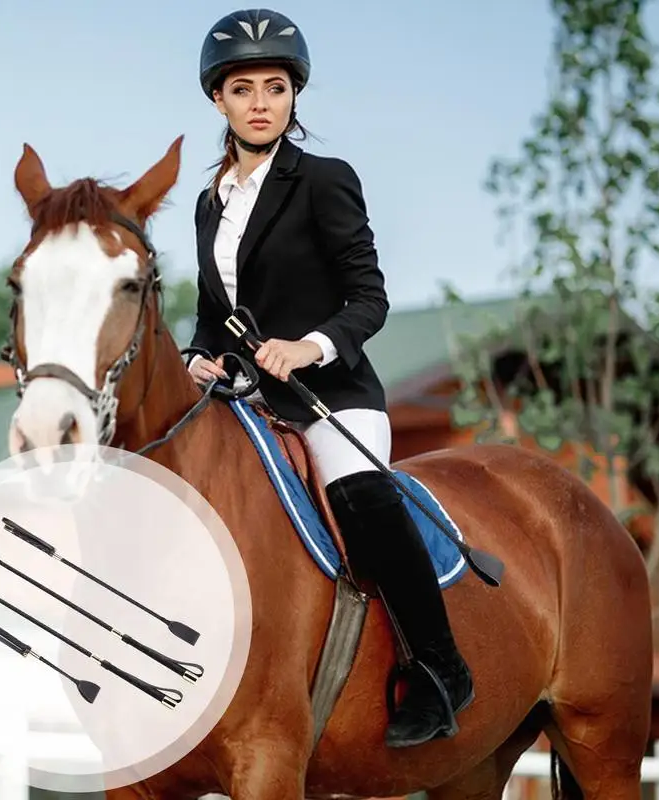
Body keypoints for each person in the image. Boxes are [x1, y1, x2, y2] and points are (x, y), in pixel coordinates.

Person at [186, 8, 473, 748]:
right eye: (243, 87)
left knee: (360, 494)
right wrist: (198, 355)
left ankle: (439, 670)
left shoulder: (323, 180)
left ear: (292, 97)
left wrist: (309, 347)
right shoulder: (207, 204)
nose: (259, 102)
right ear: (218, 99)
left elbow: (367, 296)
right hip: (247, 404)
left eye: (274, 87)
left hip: (328, 397)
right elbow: (211, 313)